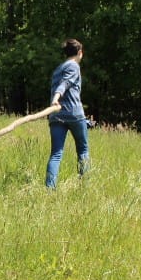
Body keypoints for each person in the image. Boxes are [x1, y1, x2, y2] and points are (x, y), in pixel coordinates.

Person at [45, 38, 90, 188]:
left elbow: (59, 84)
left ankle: (49, 189)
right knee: (83, 150)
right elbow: (65, 83)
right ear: (80, 53)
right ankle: (84, 186)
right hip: (74, 113)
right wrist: (56, 98)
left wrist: (54, 103)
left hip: (56, 116)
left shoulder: (58, 69)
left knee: (56, 154)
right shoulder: (74, 66)